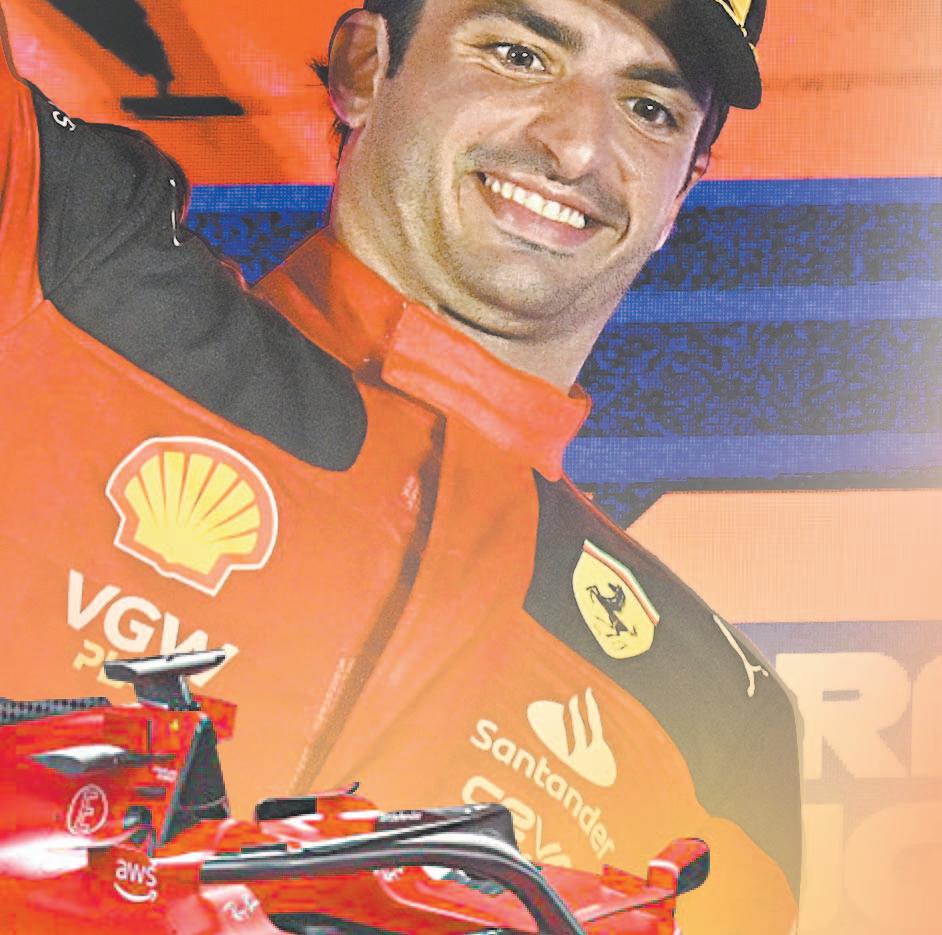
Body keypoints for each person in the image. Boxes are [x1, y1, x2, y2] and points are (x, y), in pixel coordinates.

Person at [0, 1, 800, 931]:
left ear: (681, 195)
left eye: (650, 110)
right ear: (363, 68)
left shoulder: (721, 719)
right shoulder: (61, 260)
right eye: (519, 54)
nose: (579, 147)